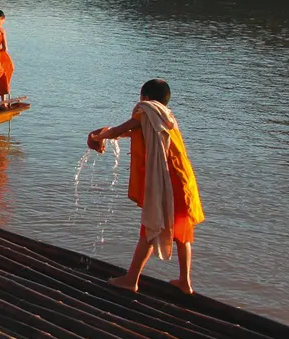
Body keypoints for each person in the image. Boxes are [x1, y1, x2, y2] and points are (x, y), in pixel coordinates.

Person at [88, 79, 205, 295]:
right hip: (184, 181)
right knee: (182, 233)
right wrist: (105, 133)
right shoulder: (167, 117)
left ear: (146, 98)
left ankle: (131, 280)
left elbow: (122, 129)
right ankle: (185, 282)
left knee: (151, 227)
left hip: (167, 183)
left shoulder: (146, 112)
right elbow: (129, 132)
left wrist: (98, 136)